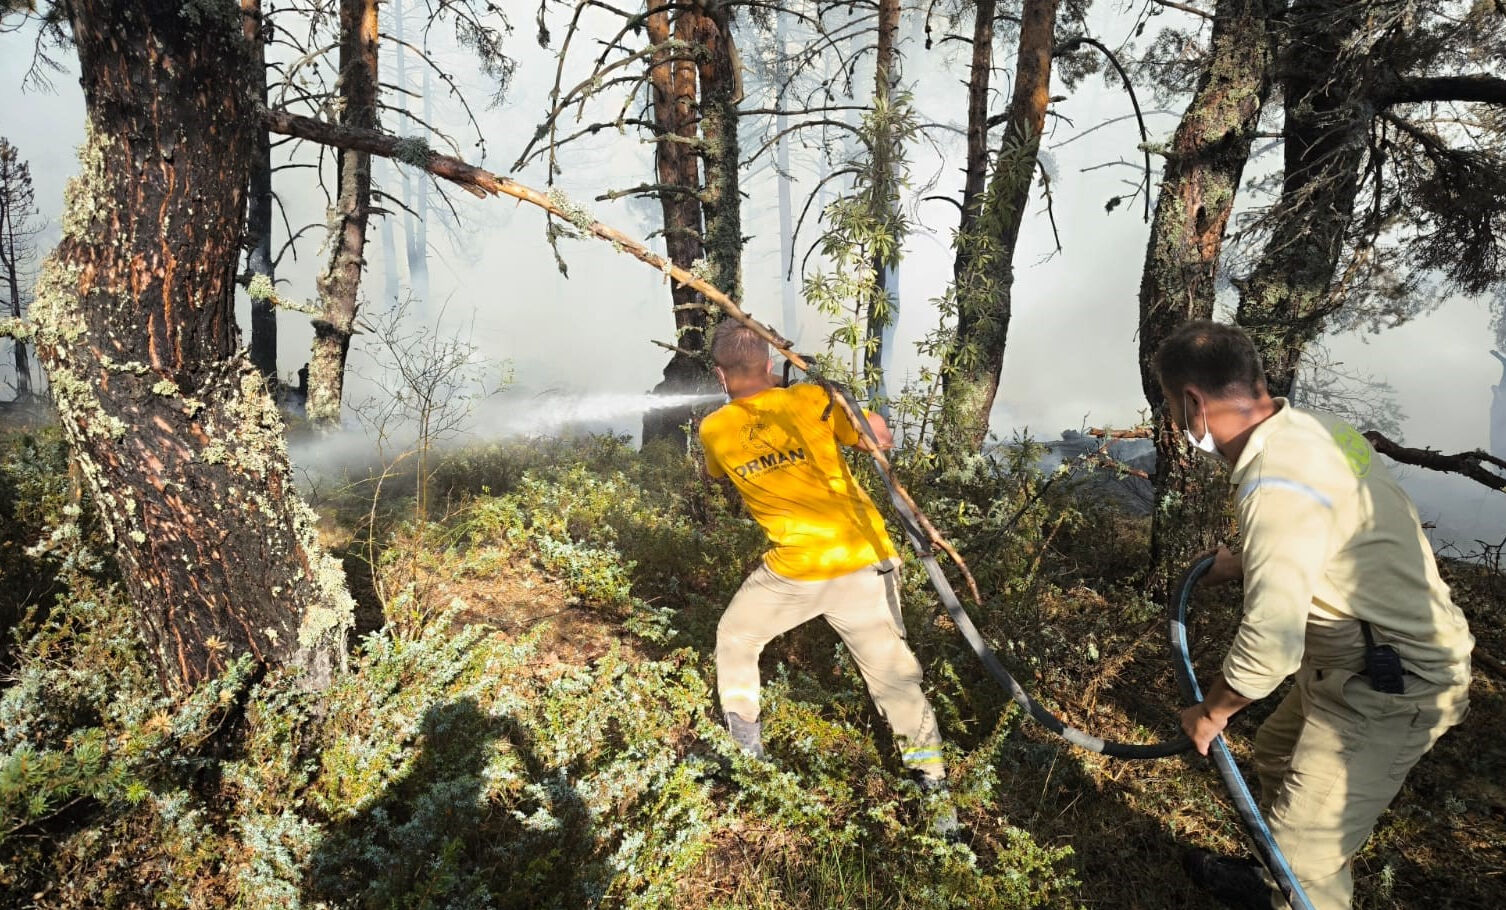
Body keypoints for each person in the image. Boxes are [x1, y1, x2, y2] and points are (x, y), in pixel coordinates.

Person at [1154, 320, 1473, 910]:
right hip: (1363, 658)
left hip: (1391, 684)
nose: (1177, 421)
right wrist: (1246, 558)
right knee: (1276, 753)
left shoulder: (1274, 482)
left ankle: (1293, 881)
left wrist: (1211, 712)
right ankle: (1270, 872)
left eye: (1174, 406)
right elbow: (1346, 518)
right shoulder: (1322, 429)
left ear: (1194, 402)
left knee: (1310, 863)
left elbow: (1270, 648)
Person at [698, 320, 956, 835]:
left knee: (737, 636)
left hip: (797, 571)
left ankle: (748, 755)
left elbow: (712, 474)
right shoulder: (813, 399)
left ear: (720, 375)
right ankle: (936, 796)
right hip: (863, 559)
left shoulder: (715, 429)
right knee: (894, 680)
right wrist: (842, 398)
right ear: (771, 365)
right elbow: (879, 440)